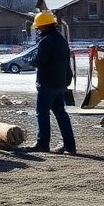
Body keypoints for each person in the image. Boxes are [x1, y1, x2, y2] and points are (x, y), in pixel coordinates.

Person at [26, 11, 77, 155]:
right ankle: (69, 145)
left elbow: (40, 61)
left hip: (47, 83)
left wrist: (30, 60)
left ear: (42, 26)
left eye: (38, 27)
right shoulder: (61, 39)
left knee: (42, 113)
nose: (37, 30)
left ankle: (42, 143)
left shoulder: (46, 41)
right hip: (60, 83)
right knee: (61, 113)